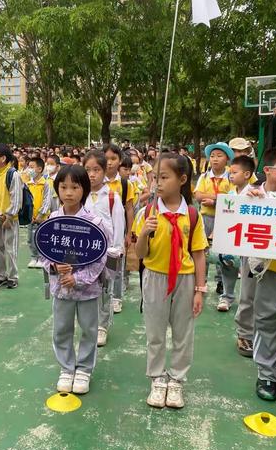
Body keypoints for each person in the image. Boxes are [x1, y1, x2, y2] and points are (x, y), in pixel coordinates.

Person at [135, 153, 207, 409]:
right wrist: (144, 233)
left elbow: (198, 254)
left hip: (185, 279)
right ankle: (156, 378)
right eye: (155, 178)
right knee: (155, 333)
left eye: (164, 177)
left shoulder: (192, 214)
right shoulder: (147, 212)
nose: (158, 184)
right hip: (154, 278)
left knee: (183, 333)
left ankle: (176, 379)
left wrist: (200, 289)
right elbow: (141, 254)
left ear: (182, 179)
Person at [43, 165, 111, 395]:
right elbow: (43, 252)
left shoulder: (95, 222)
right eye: (63, 187)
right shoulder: (52, 220)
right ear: (57, 189)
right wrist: (53, 265)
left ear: (84, 189)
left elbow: (101, 256)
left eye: (75, 187)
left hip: (87, 290)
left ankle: (83, 369)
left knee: (89, 329)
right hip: (61, 288)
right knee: (61, 328)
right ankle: (66, 368)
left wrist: (79, 278)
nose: (69, 192)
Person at [234, 148, 276, 357]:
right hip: (254, 256)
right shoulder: (251, 193)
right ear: (269, 170)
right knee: (249, 294)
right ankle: (245, 333)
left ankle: (274, 338)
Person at [253, 145, 276, 402]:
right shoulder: (271, 201)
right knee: (266, 323)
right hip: (271, 273)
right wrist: (253, 202)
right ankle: (267, 373)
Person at [83, 150, 124, 347]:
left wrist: (115, 250)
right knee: (87, 288)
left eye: (96, 170)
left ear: (104, 171)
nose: (92, 174)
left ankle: (102, 326)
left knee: (104, 289)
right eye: (88, 170)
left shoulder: (112, 197)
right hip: (84, 251)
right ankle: (89, 324)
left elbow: (118, 224)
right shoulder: (80, 195)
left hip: (106, 251)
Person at [215, 155, 256, 313]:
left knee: (248, 271)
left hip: (248, 238)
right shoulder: (230, 195)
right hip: (232, 237)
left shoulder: (255, 194)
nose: (231, 176)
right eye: (230, 173)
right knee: (228, 266)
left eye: (234, 172)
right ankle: (227, 296)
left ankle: (247, 301)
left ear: (246, 174)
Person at [195, 142, 234, 294]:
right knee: (202, 250)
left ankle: (221, 283)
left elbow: (232, 198)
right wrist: (219, 198)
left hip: (224, 220)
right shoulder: (204, 176)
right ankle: (201, 282)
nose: (215, 159)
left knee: (222, 252)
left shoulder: (231, 177)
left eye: (219, 156)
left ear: (227, 159)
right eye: (212, 156)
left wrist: (214, 201)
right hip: (205, 219)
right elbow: (198, 196)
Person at [0, 144, 23, 290]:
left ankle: (12, 277)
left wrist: (9, 217)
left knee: (10, 248)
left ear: (3, 158)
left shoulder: (12, 174)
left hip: (10, 219)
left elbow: (16, 198)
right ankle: (0, 276)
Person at [103, 144, 135, 314]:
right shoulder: (94, 180)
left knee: (117, 263)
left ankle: (116, 297)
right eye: (106, 158)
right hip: (100, 229)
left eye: (113, 159)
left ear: (120, 161)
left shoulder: (124, 183)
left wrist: (129, 233)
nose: (109, 163)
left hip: (118, 228)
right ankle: (101, 294)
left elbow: (129, 209)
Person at [27, 157, 51, 269]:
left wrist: (41, 214)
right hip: (30, 217)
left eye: (32, 167)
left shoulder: (45, 184)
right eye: (29, 167)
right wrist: (29, 215)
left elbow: (47, 200)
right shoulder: (28, 184)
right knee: (31, 238)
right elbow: (26, 200)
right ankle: (33, 257)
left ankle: (42, 258)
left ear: (40, 169)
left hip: (42, 218)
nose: (29, 169)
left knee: (42, 237)